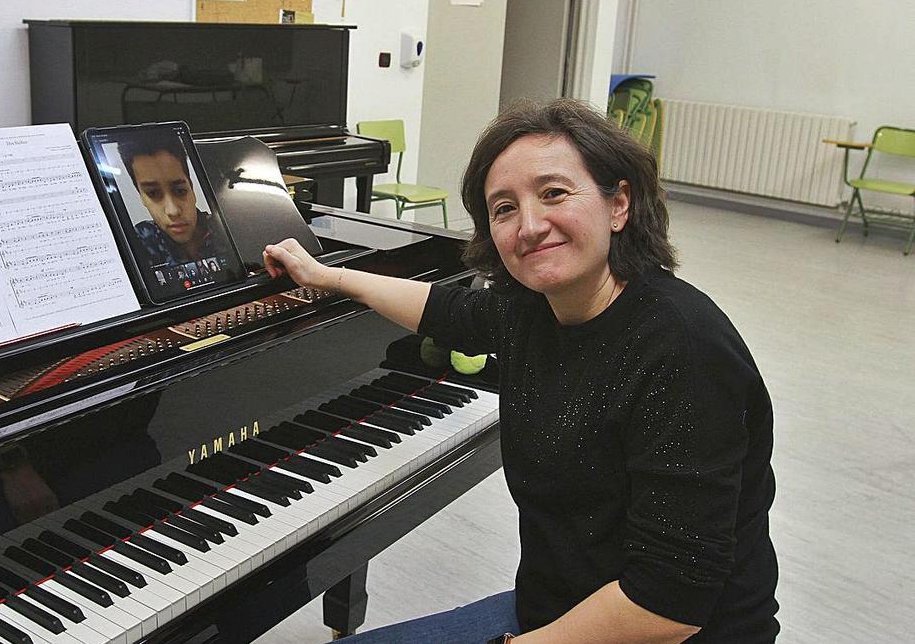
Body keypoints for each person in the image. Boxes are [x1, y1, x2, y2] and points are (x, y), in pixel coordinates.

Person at [263, 99, 779, 643]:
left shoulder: (683, 349)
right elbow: (445, 310)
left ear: (618, 204)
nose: (529, 225)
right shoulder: (533, 308)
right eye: (504, 208)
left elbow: (668, 606)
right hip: (554, 613)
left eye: (554, 193)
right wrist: (331, 278)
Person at [117, 133, 230, 267]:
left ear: (191, 187)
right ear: (141, 196)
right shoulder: (138, 241)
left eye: (180, 191)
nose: (173, 211)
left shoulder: (226, 228)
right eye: (153, 193)